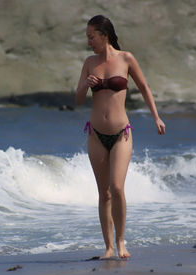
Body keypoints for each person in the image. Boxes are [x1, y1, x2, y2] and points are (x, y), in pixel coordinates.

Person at [75, 15, 165, 259]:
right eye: (87, 37)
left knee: (116, 187)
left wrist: (156, 117)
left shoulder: (126, 58)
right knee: (103, 192)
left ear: (104, 35)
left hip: (121, 133)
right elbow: (78, 99)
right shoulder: (89, 62)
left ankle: (122, 241)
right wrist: (85, 84)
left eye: (92, 37)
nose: (89, 41)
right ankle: (108, 247)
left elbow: (145, 87)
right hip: (95, 134)